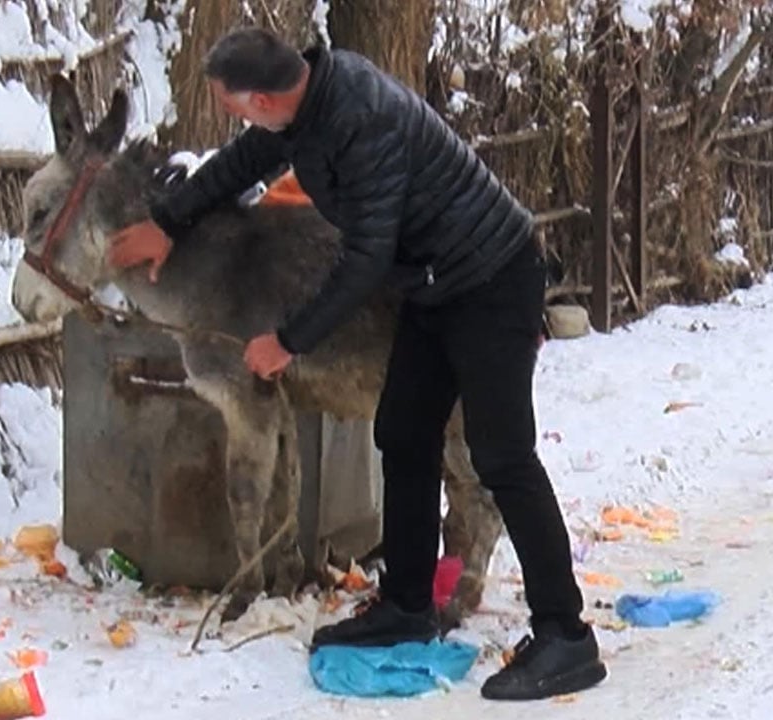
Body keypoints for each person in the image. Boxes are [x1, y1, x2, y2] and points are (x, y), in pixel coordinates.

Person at [107, 27, 606, 702]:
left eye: (233, 104)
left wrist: (287, 339)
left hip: (491, 278)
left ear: (261, 95)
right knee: (402, 432)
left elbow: (365, 256)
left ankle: (566, 636)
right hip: (432, 281)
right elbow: (243, 159)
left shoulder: (360, 120)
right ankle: (406, 604)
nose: (234, 118)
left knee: (502, 456)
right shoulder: (306, 103)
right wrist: (167, 219)